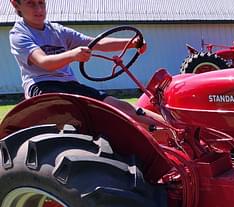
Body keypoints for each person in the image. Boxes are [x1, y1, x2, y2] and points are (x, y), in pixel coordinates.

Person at [8, 0, 163, 127]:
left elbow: (95, 43)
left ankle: (173, 129)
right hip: (42, 86)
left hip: (70, 84)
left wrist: (131, 43)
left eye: (41, 3)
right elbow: (44, 62)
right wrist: (72, 55)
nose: (39, 9)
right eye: (31, 3)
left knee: (120, 107)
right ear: (16, 5)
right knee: (82, 118)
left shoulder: (56, 30)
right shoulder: (19, 34)